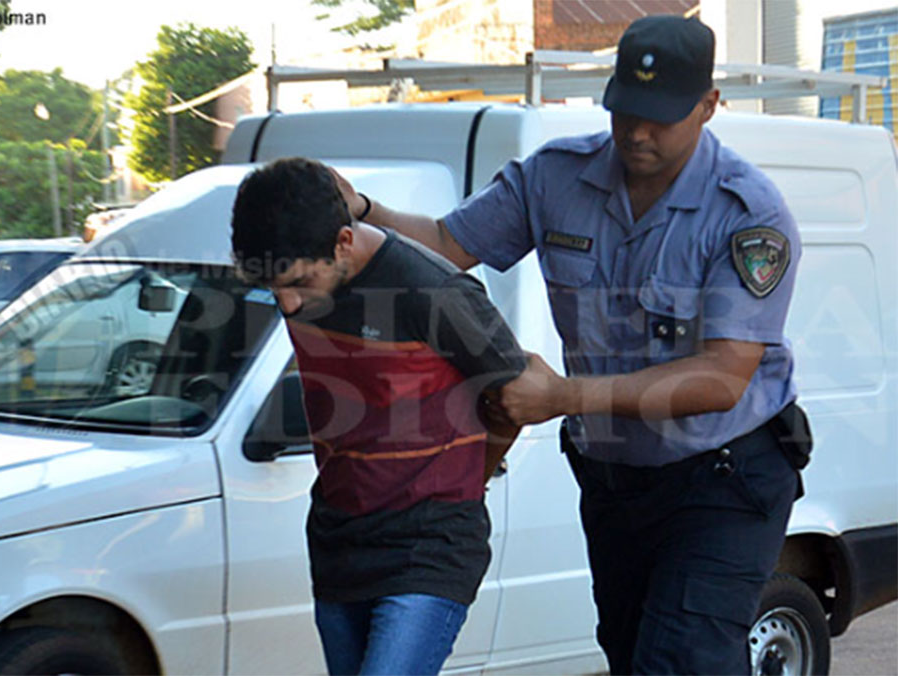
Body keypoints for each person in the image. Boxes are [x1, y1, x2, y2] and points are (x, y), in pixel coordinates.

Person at [331, 15, 809, 675]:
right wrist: (362, 211)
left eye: (659, 118)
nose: (636, 132)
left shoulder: (747, 213)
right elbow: (446, 245)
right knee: (631, 655)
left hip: (723, 480)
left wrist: (561, 396)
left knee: (679, 662)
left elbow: (723, 377)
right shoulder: (556, 178)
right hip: (616, 480)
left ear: (708, 106)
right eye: (625, 110)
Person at [231, 157, 526, 676]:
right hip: (339, 541)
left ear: (344, 241)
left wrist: (469, 477)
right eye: (272, 288)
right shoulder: (296, 278)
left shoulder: (431, 291)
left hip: (429, 544)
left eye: (298, 283)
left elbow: (515, 394)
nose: (288, 305)